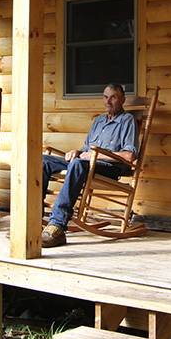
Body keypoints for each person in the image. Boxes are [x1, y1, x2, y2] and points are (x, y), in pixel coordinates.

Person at [40, 83, 137, 248]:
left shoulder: (127, 120)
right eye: (106, 97)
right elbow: (85, 149)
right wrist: (76, 152)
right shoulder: (98, 121)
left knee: (78, 164)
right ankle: (34, 217)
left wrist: (93, 155)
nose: (108, 101)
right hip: (85, 163)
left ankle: (57, 224)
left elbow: (130, 155)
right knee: (43, 161)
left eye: (113, 97)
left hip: (108, 167)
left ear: (122, 100)